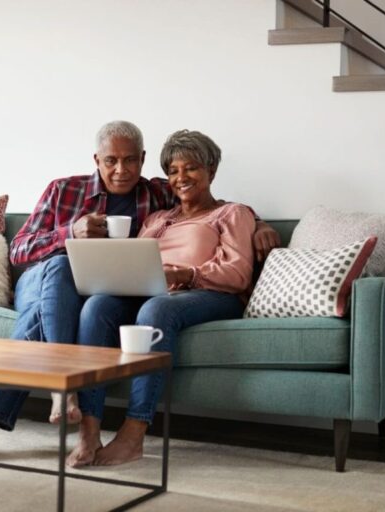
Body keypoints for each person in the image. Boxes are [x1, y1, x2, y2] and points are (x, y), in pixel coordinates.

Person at [0, 122, 279, 461]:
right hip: (44, 277)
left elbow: (222, 215)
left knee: (97, 306)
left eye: (131, 160)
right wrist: (69, 234)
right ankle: (74, 405)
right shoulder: (69, 191)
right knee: (69, 278)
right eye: (111, 161)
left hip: (163, 292)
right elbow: (18, 251)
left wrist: (260, 224)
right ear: (97, 160)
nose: (121, 170)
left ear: (143, 160)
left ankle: (26, 414)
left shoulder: (159, 196)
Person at [66, 129, 257, 468]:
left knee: (157, 308)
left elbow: (238, 273)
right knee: (98, 306)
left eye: (191, 168)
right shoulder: (156, 218)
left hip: (210, 294)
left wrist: (184, 275)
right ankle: (89, 427)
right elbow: (135, 260)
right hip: (154, 291)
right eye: (173, 171)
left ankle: (134, 434)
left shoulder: (232, 214)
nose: (181, 178)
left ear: (211, 171)